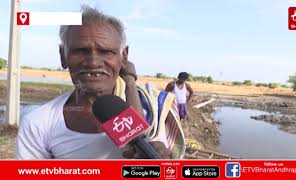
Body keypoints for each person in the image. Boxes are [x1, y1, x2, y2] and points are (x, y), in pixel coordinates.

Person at [16, 6, 185, 159]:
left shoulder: (153, 110)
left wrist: (161, 166)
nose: (93, 62)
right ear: (63, 56)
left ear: (124, 57)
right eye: (81, 51)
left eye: (106, 52)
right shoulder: (37, 123)